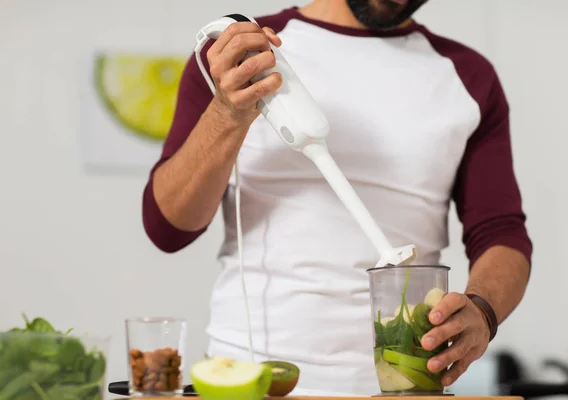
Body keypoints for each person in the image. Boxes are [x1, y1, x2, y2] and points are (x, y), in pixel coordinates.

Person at [142, 0, 533, 395]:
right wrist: (227, 114)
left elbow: (501, 231)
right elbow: (168, 228)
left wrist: (483, 312)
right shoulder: (241, 56)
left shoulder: (467, 76)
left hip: (408, 385)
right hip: (252, 382)